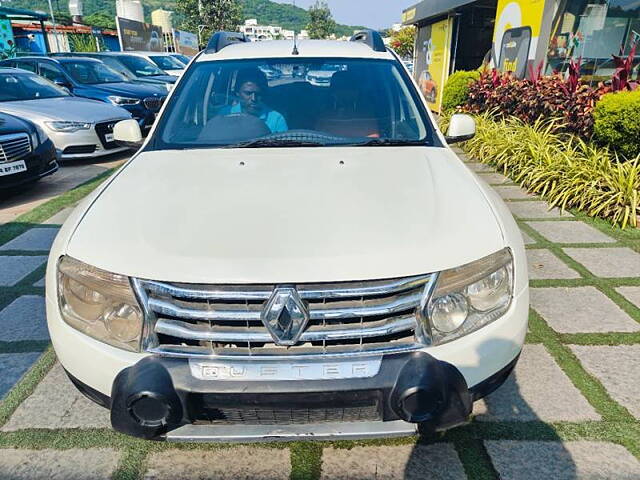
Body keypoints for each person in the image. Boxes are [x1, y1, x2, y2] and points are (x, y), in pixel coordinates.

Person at [218, 68, 288, 133]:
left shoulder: (276, 120)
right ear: (237, 93)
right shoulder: (224, 115)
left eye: (258, 94)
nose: (253, 99)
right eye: (248, 93)